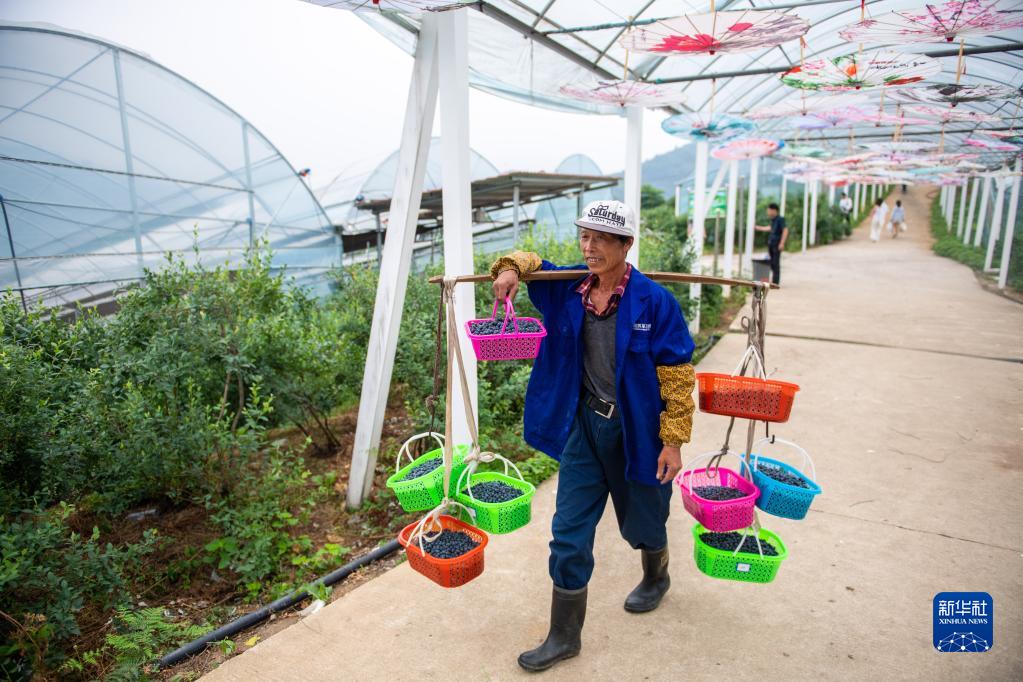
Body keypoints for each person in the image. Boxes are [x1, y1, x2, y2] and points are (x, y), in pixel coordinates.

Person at [489, 200, 696, 672]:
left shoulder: (655, 302)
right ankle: (564, 635)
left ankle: (656, 575)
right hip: (585, 426)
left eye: (603, 238)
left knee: (644, 521)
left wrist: (673, 440)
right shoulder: (567, 288)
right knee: (568, 533)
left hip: (637, 432)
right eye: (586, 236)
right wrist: (507, 269)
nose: (591, 246)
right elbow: (529, 261)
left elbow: (678, 376)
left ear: (626, 244)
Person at [754, 202, 788, 285]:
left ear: (774, 210)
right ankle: (773, 281)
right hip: (771, 244)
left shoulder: (780, 219)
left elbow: (785, 230)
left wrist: (782, 243)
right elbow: (770, 228)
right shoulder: (773, 220)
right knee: (772, 263)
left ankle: (775, 282)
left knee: (775, 263)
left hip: (777, 244)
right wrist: (758, 228)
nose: (768, 212)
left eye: (769, 210)